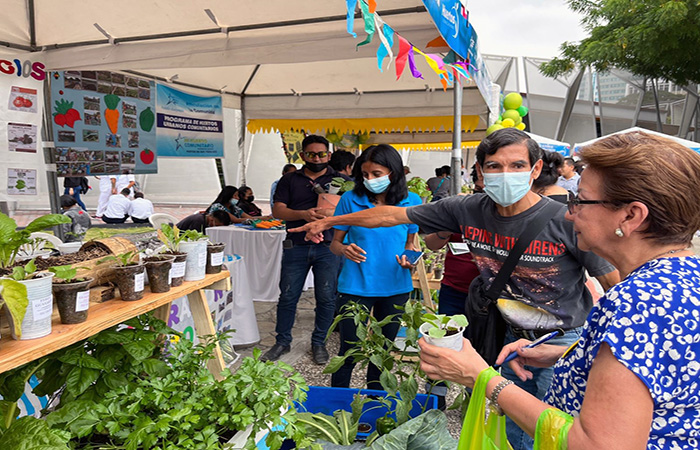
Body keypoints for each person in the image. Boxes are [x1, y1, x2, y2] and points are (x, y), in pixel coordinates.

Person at [291, 128, 620, 450]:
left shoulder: (564, 219)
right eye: (494, 166)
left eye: (517, 165)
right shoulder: (467, 209)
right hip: (509, 336)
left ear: (534, 169)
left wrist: (601, 350)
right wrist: (329, 222)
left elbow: (615, 285)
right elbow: (390, 216)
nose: (505, 174)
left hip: (560, 339)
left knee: (552, 427)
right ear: (480, 170)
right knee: (514, 421)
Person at [418, 130, 700, 449]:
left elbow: (597, 444)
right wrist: (571, 355)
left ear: (631, 216)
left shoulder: (636, 302)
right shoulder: (680, 278)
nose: (569, 212)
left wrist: (481, 377)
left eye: (580, 200)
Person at [330, 144, 421, 389]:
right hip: (355, 287)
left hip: (395, 287)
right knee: (348, 350)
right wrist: (344, 249)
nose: (370, 180)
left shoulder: (411, 202)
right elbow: (334, 244)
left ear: (394, 173)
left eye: (377, 174)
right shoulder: (350, 199)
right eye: (365, 174)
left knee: (383, 352)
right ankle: (337, 404)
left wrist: (409, 260)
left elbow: (410, 245)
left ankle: (375, 405)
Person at [262, 134, 350, 365]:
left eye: (322, 154)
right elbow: (278, 211)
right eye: (311, 154)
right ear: (302, 155)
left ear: (329, 155)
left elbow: (351, 213)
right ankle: (282, 341)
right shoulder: (289, 180)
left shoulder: (342, 181)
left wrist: (329, 216)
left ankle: (319, 342)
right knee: (289, 295)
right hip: (296, 246)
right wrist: (303, 214)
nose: (317, 158)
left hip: (328, 246)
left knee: (327, 296)